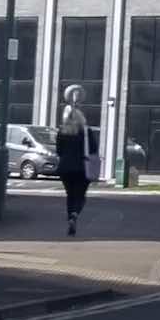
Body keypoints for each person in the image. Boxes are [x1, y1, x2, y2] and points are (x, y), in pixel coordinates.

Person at [55, 85, 94, 236]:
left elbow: (59, 151)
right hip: (82, 167)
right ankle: (74, 215)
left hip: (65, 168)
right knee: (80, 195)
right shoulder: (86, 132)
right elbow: (93, 149)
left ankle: (70, 216)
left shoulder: (62, 131)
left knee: (70, 194)